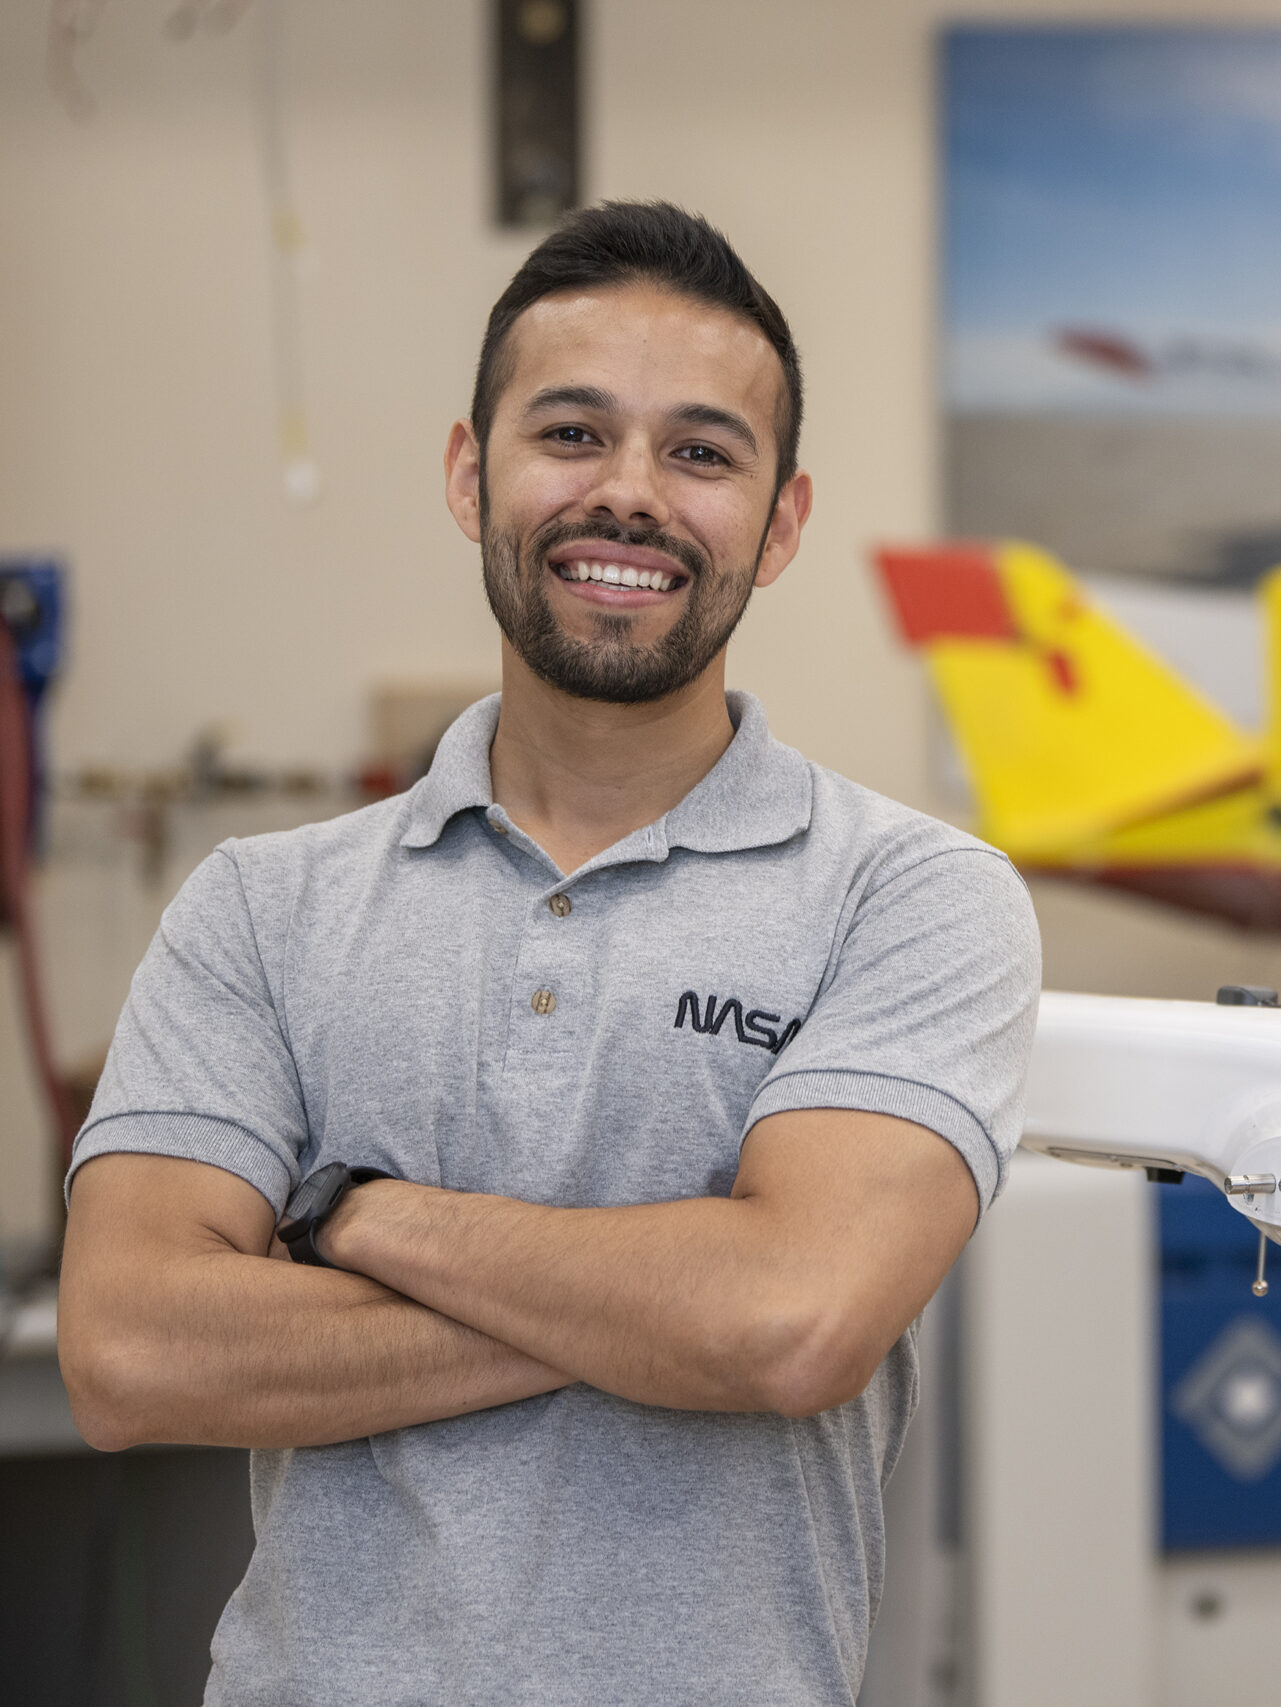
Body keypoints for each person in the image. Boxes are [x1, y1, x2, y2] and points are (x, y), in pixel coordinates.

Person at [54, 201, 1041, 1704]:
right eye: (571, 433)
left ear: (780, 523)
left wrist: (362, 1218)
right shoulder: (264, 905)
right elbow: (130, 1353)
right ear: (472, 473)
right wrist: (667, 1308)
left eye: (702, 452)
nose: (631, 497)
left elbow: (789, 1326)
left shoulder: (912, 898)